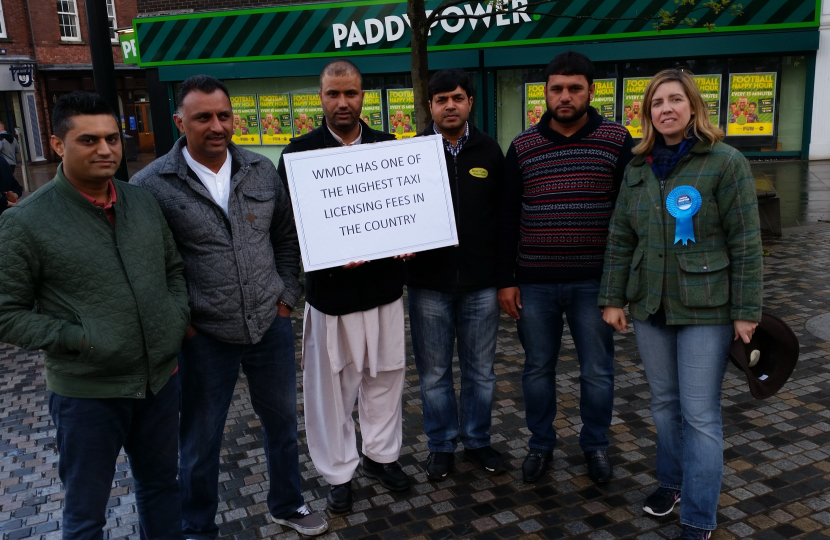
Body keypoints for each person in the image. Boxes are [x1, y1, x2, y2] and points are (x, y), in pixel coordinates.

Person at [131, 75, 327, 538]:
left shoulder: (260, 169)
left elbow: (286, 238)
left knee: (282, 424)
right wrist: (184, 326)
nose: (217, 126)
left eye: (224, 115)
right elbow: (149, 268)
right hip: (203, 337)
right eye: (203, 117)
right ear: (180, 121)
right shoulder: (151, 185)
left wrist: (287, 298)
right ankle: (197, 526)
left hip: (269, 324)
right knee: (200, 439)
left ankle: (288, 504)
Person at [0, 91, 189, 540]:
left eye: (112, 138)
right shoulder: (25, 221)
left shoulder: (141, 201)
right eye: (89, 140)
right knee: (86, 513)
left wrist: (174, 316)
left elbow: (173, 269)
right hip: (87, 394)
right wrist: (78, 339)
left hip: (158, 382)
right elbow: (6, 313)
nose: (105, 149)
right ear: (58, 145)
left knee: (162, 487)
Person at [599, 69, 762, 540]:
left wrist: (746, 310)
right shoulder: (638, 167)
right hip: (650, 305)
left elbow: (746, 241)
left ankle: (698, 516)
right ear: (647, 113)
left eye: (675, 99)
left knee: (700, 414)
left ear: (693, 106)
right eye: (657, 102)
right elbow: (620, 238)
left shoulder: (725, 162)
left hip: (707, 308)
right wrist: (612, 298)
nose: (665, 109)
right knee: (664, 405)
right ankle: (671, 483)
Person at [277, 59, 412, 514]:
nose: (342, 102)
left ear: (362, 96)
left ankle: (381, 456)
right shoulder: (297, 155)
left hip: (384, 290)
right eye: (333, 94)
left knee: (386, 378)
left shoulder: (388, 148)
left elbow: (404, 212)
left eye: (350, 93)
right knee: (332, 392)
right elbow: (288, 229)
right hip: (331, 298)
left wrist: (408, 240)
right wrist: (329, 249)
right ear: (320, 98)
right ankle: (338, 472)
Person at [497, 51, 634, 484]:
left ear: (591, 91)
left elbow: (629, 216)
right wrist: (506, 280)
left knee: (597, 370)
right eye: (557, 88)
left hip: (594, 284)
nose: (565, 96)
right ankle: (540, 444)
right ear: (545, 92)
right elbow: (506, 217)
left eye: (575, 88)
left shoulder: (617, 140)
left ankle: (595, 445)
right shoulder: (523, 147)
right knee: (538, 369)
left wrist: (619, 286)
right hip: (534, 283)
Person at [408, 69, 506, 480]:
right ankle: (441, 445)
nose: (450, 105)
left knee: (481, 372)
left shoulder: (489, 151)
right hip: (428, 285)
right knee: (434, 375)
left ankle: (477, 440)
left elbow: (504, 217)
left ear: (470, 103)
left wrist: (504, 276)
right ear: (430, 105)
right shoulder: (411, 154)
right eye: (442, 99)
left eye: (458, 98)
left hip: (481, 285)